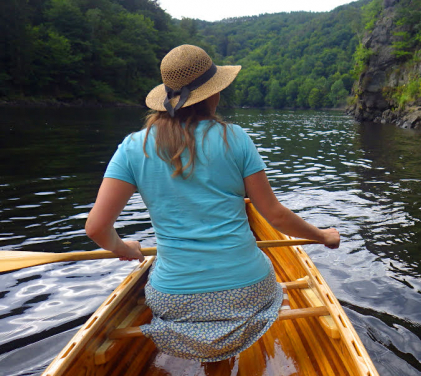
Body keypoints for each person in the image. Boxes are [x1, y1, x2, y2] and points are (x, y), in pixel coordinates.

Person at [84, 44, 340, 362]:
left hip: (174, 299)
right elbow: (276, 216)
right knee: (260, 292)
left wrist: (125, 248)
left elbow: (96, 228)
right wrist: (324, 236)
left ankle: (211, 355)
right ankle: (226, 353)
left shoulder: (134, 147)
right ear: (213, 94)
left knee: (171, 298)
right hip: (247, 291)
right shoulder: (236, 138)